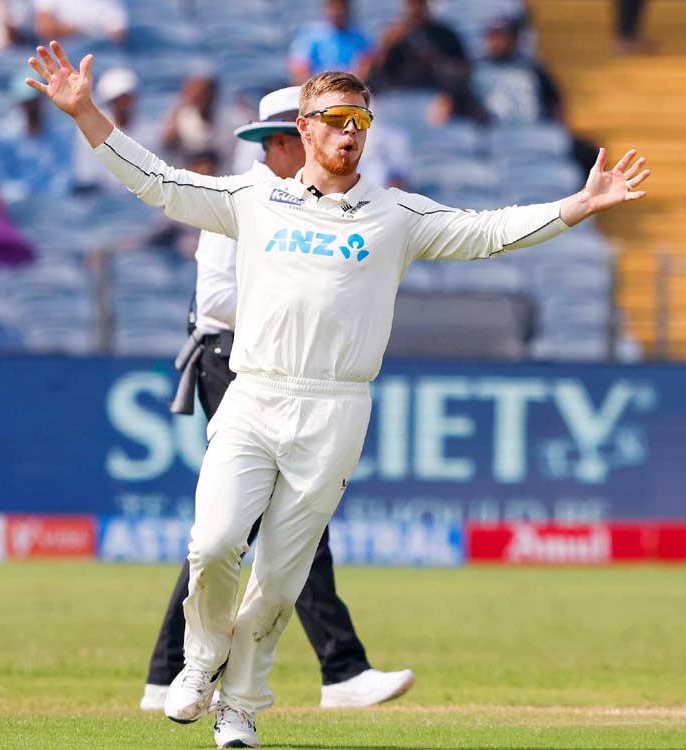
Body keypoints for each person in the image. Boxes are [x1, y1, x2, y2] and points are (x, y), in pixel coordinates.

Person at [26, 39, 648, 748]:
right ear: (305, 129)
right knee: (214, 543)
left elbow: (488, 233)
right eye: (337, 119)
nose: (351, 132)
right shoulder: (253, 199)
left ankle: (240, 709)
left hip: (337, 408)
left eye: (361, 120)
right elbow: (159, 183)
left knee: (282, 576)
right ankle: (198, 663)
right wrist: (86, 114)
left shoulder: (394, 215)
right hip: (255, 395)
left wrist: (578, 204)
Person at [142, 86, 415, 716]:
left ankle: (174, 675)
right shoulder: (252, 199)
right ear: (294, 139)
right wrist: (309, 303)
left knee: (247, 533)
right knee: (230, 534)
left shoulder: (338, 206)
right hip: (236, 364)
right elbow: (214, 300)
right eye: (285, 140)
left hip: (301, 375)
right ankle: (339, 669)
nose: (280, 151)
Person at [0, 73, 73, 206]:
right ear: (19, 103)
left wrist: (49, 198)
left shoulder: (60, 132)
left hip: (54, 204)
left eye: (35, 101)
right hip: (18, 205)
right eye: (27, 102)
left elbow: (64, 175)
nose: (32, 107)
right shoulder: (3, 135)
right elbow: (2, 179)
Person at [73, 67, 157, 192]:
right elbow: (87, 178)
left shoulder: (149, 131)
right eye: (117, 100)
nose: (123, 104)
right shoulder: (90, 129)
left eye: (126, 98)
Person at [473, 17, 564, 124]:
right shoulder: (475, 68)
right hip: (489, 133)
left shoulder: (532, 67)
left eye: (502, 37)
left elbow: (554, 99)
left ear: (514, 39)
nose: (497, 42)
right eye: (492, 37)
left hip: (528, 130)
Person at [289, 0, 372, 84]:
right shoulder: (310, 35)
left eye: (341, 7)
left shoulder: (359, 36)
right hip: (318, 88)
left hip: (350, 87)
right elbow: (299, 68)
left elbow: (366, 64)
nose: (338, 11)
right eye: (333, 6)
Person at [162, 75, 227, 168]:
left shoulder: (225, 120)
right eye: (199, 94)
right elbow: (166, 142)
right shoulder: (182, 119)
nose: (203, 98)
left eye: (206, 93)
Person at [33, 0, 127, 45]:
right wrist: (85, 31)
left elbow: (118, 37)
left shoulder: (110, 3)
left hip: (96, 55)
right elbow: (45, 29)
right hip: (62, 56)